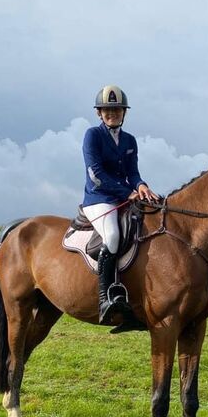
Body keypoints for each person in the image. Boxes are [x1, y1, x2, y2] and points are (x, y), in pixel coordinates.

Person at [81, 85, 159, 325]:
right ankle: (105, 298)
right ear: (99, 113)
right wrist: (129, 191)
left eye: (116, 110)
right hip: (99, 199)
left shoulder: (129, 140)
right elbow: (96, 174)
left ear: (124, 112)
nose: (111, 114)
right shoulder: (92, 135)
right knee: (113, 236)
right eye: (107, 110)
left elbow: (133, 172)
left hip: (124, 198)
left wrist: (142, 185)